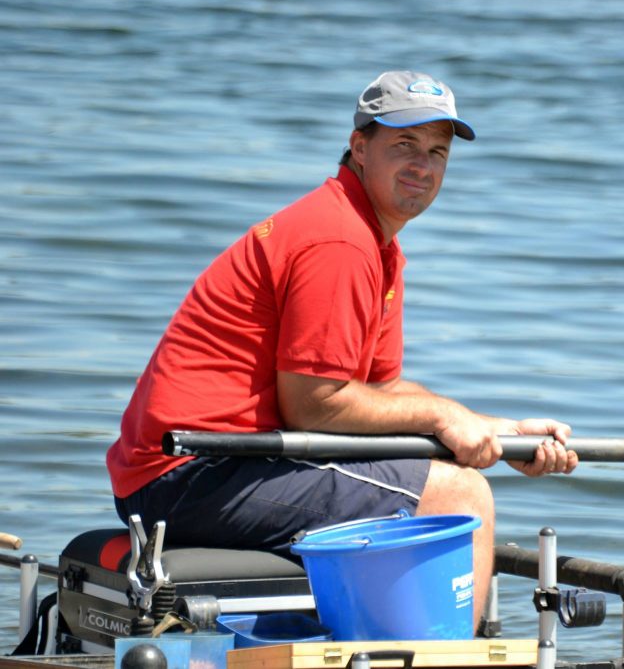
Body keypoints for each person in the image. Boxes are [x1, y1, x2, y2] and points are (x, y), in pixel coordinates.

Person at [105, 70, 578, 624]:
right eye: (404, 144)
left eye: (438, 152)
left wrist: (497, 430)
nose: (422, 166)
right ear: (359, 146)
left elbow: (378, 393)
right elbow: (314, 404)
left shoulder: (374, 243)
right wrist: (445, 422)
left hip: (221, 463)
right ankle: (449, 660)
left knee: (440, 473)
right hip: (190, 472)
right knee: (459, 496)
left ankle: (381, 642)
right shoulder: (339, 238)